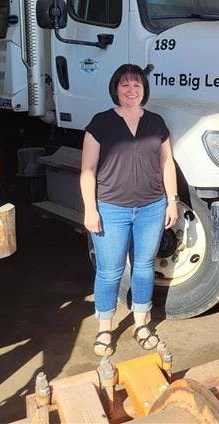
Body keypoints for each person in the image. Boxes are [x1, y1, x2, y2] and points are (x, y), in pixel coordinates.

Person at [80, 63, 179, 356]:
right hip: (111, 209)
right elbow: (87, 169)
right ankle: (104, 330)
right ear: (116, 89)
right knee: (110, 272)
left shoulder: (157, 123)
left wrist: (172, 200)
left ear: (144, 90)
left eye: (137, 85)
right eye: (125, 85)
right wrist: (90, 209)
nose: (131, 90)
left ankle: (141, 324)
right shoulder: (100, 123)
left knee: (145, 267)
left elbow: (167, 164)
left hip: (151, 207)